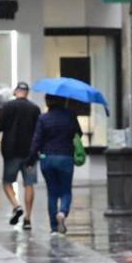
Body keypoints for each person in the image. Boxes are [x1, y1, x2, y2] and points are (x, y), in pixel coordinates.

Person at [0, 82, 41, 229]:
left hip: (11, 152)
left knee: (7, 182)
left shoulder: (7, 107)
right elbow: (39, 131)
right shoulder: (35, 109)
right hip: (30, 153)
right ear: (27, 92)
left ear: (16, 92)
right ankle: (28, 218)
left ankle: (16, 205)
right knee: (29, 184)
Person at [29, 95, 82, 235]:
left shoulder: (43, 118)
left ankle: (53, 227)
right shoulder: (70, 116)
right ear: (64, 101)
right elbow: (79, 133)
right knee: (66, 190)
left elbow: (36, 141)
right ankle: (63, 212)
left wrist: (31, 160)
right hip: (65, 157)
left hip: (47, 158)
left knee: (52, 193)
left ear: (47, 102)